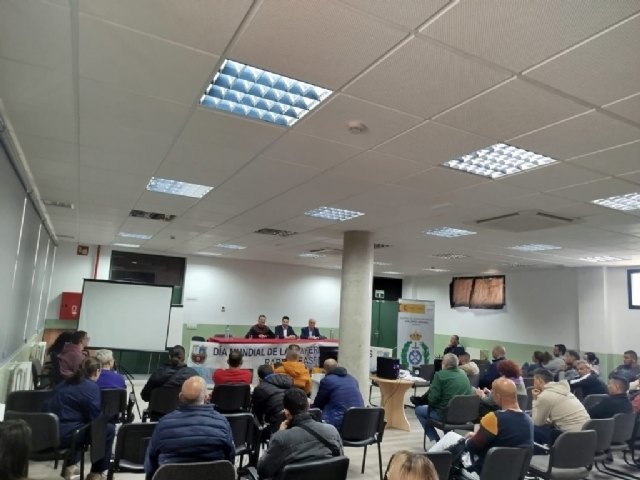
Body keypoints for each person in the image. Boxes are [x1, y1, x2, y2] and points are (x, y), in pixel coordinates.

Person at [144, 376, 235, 480]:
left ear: (180, 397)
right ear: (207, 397)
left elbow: (150, 465)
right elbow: (230, 460)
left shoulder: (163, 425)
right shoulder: (222, 423)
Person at [46, 357, 115, 480]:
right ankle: (96, 473)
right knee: (107, 430)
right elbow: (95, 419)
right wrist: (108, 417)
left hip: (47, 431)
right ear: (97, 372)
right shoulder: (91, 387)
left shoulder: (64, 382)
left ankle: (70, 466)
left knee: (79, 424)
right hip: (67, 435)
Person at [257, 388, 343, 480]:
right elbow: (339, 462)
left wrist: (277, 434)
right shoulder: (332, 431)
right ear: (308, 406)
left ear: (286, 413)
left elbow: (263, 470)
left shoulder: (281, 438)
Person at [463, 378, 533, 475]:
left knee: (453, 442)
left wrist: (468, 439)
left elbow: (472, 447)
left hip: (485, 470)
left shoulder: (494, 418)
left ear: (498, 396)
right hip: (513, 473)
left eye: (492, 393)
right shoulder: (529, 421)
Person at [412, 353, 474, 446]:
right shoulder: (463, 374)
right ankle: (448, 440)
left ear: (444, 364)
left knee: (419, 410)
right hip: (465, 416)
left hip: (445, 415)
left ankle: (435, 441)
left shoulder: (439, 375)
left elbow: (432, 400)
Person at [531, 368, 589, 447]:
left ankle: (540, 451)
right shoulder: (565, 391)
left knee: (531, 428)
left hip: (569, 438)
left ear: (539, 380)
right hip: (586, 435)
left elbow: (537, 422)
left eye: (534, 380)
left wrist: (535, 400)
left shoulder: (545, 396)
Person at [312, 358, 364, 429]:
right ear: (338, 366)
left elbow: (318, 405)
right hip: (360, 420)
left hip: (339, 422)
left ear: (324, 370)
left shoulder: (327, 380)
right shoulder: (353, 379)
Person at [252, 364, 293, 434]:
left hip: (275, 424)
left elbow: (257, 411)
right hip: (292, 419)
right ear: (273, 372)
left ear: (260, 378)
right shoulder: (286, 381)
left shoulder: (260, 388)